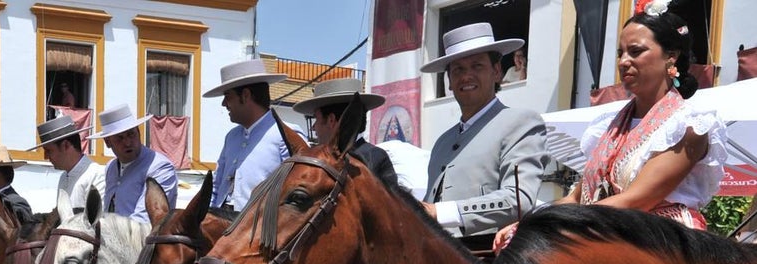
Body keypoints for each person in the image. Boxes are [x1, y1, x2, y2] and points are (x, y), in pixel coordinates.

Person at [493, 2, 726, 249]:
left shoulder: (688, 125)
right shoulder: (611, 126)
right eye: (620, 53)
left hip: (663, 244)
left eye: (635, 51)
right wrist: (528, 224)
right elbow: (576, 198)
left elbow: (636, 201)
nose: (624, 61)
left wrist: (550, 225)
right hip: (608, 234)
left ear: (671, 56)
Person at [420, 23, 549, 242]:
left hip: (489, 255)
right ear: (449, 81)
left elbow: (519, 200)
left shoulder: (521, 123)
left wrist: (440, 212)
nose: (466, 76)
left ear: (496, 71)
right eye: (458, 70)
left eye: (477, 66)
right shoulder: (442, 143)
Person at [203, 59, 290, 214]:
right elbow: (216, 185)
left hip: (258, 225)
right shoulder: (232, 137)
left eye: (228, 96)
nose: (224, 103)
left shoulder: (285, 135)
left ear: (245, 95)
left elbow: (295, 194)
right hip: (220, 221)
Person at [294, 77, 399, 190]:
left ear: (331, 120)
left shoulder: (373, 158)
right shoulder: (375, 155)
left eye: (316, 119)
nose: (313, 127)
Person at [88, 104, 178, 223]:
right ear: (108, 142)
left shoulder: (159, 167)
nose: (127, 143)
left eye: (131, 134)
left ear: (139, 133)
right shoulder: (111, 167)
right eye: (119, 138)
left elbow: (144, 221)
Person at [30, 114, 105, 214]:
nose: (46, 157)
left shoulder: (96, 175)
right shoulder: (63, 178)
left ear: (66, 145)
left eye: (48, 151)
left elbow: (99, 218)